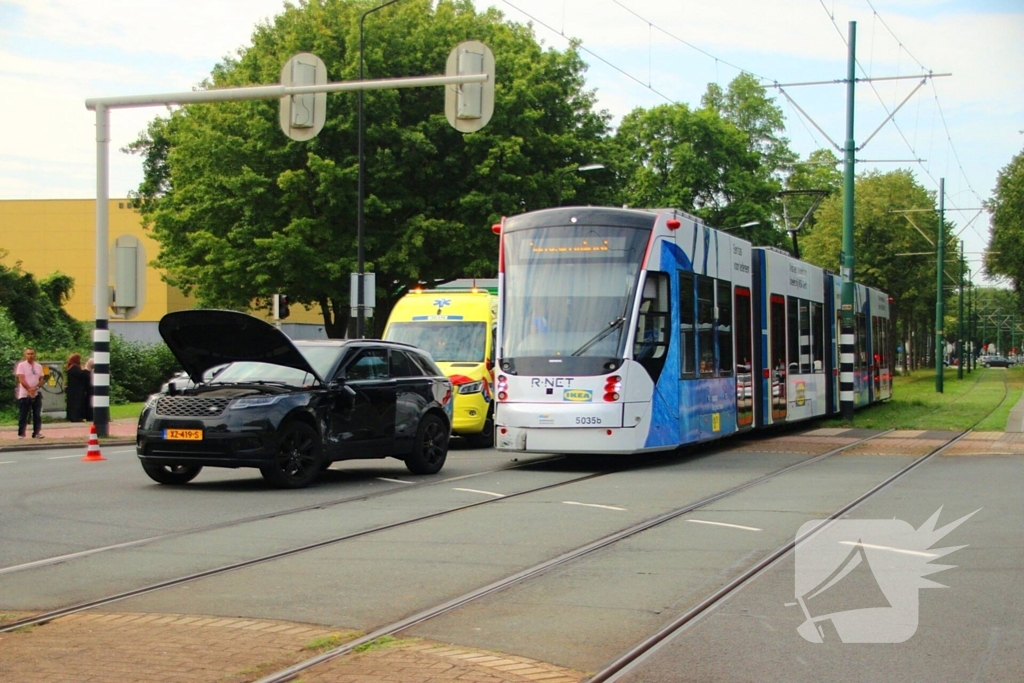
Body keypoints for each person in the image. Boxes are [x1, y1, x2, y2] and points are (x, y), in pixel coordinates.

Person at [15, 348, 45, 439]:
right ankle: (21, 434)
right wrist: (29, 389)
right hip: (24, 394)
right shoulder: (21, 365)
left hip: (36, 393)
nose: (30, 355)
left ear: (34, 355)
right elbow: (21, 379)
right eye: (28, 354)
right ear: (25, 355)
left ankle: (36, 432)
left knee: (37, 414)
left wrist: (35, 388)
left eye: (32, 354)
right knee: (23, 415)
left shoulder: (39, 366)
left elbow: (42, 379)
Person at [64, 353, 92, 423]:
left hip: (72, 389)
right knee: (77, 404)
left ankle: (73, 417)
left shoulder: (70, 367)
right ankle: (77, 417)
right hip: (77, 390)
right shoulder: (75, 367)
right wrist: (86, 370)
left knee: (72, 404)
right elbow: (81, 375)